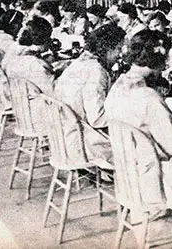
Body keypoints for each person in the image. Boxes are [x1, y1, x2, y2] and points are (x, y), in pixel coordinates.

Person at [104, 29, 172, 218]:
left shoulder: (117, 85)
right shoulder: (149, 97)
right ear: (157, 60)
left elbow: (141, 127)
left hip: (129, 173)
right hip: (155, 177)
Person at [54, 25, 126, 168]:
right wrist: (126, 111)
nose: (120, 54)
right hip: (82, 146)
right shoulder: (96, 71)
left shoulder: (78, 64)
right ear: (106, 49)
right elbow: (97, 119)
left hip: (61, 140)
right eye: (118, 48)